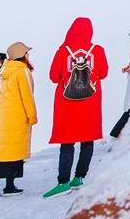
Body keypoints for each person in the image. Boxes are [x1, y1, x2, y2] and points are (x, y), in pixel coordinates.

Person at [43, 17, 109, 198]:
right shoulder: (98, 50)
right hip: (91, 103)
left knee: (67, 141)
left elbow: (54, 77)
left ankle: (62, 182)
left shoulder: (62, 52)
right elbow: (103, 73)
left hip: (67, 103)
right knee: (87, 139)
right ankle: (79, 177)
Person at [0, 42, 37, 197]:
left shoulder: (3, 71)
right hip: (16, 116)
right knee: (14, 152)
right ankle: (9, 186)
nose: (28, 55)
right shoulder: (22, 71)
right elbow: (27, 96)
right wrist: (32, 116)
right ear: (22, 55)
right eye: (26, 52)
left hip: (1, 116)